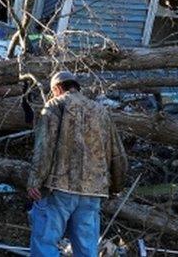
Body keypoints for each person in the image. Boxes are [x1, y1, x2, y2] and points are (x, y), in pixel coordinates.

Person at [27, 71, 128, 257]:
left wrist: (35, 180)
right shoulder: (101, 111)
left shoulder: (55, 105)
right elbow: (117, 153)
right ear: (76, 86)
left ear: (57, 88)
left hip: (59, 187)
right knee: (87, 249)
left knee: (45, 243)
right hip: (93, 191)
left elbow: (44, 146)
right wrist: (116, 186)